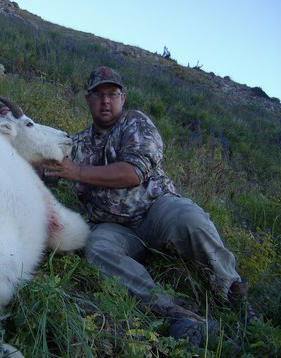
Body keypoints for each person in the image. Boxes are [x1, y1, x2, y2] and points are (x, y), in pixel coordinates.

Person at [43, 66, 258, 346]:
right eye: (98, 95)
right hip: (113, 227)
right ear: (88, 100)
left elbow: (133, 172)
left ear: (123, 98)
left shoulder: (136, 124)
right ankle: (176, 312)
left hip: (156, 210)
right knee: (97, 249)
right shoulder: (78, 143)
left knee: (189, 218)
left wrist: (79, 173)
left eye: (112, 94)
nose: (105, 101)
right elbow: (51, 170)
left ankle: (233, 291)